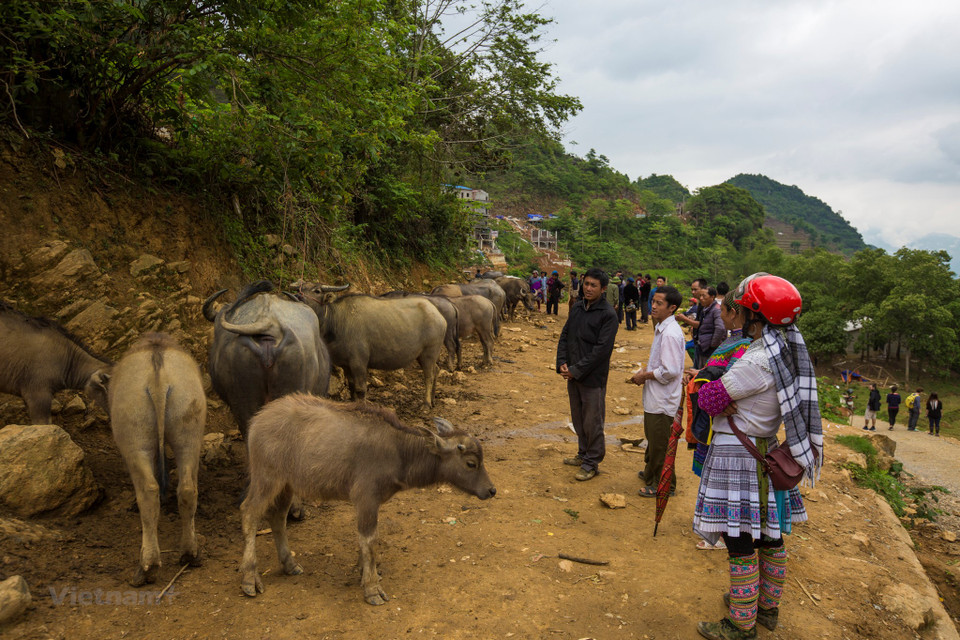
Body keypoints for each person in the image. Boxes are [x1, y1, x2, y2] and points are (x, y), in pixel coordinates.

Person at [693, 274, 822, 640]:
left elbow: (708, 398)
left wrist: (714, 393)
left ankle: (740, 623)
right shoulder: (783, 354)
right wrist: (719, 394)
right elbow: (719, 396)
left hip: (739, 455)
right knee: (769, 535)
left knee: (739, 539)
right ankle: (764, 608)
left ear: (753, 314)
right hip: (763, 449)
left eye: (742, 306)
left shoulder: (757, 361)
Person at [556, 268, 619, 481]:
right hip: (572, 374)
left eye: (594, 285)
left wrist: (576, 370)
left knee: (593, 421)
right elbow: (565, 335)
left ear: (603, 289)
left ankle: (592, 462)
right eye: (586, 284)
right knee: (578, 418)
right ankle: (582, 454)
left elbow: (601, 351)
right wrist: (562, 363)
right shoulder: (578, 308)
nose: (588, 288)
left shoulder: (608, 315)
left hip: (592, 378)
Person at [631, 285, 685, 497]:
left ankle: (663, 485)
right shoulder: (662, 328)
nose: (653, 306)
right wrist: (646, 371)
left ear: (671, 308)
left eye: (659, 303)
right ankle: (650, 472)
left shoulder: (670, 333)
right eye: (653, 301)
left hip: (663, 400)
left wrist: (645, 375)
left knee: (660, 443)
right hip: (656, 397)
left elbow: (670, 370)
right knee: (653, 439)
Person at [696, 286, 725, 365]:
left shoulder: (716, 310)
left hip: (709, 349)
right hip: (703, 346)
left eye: (704, 296)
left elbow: (720, 328)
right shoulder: (705, 309)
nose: (701, 298)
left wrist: (713, 344)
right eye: (700, 296)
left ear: (712, 296)